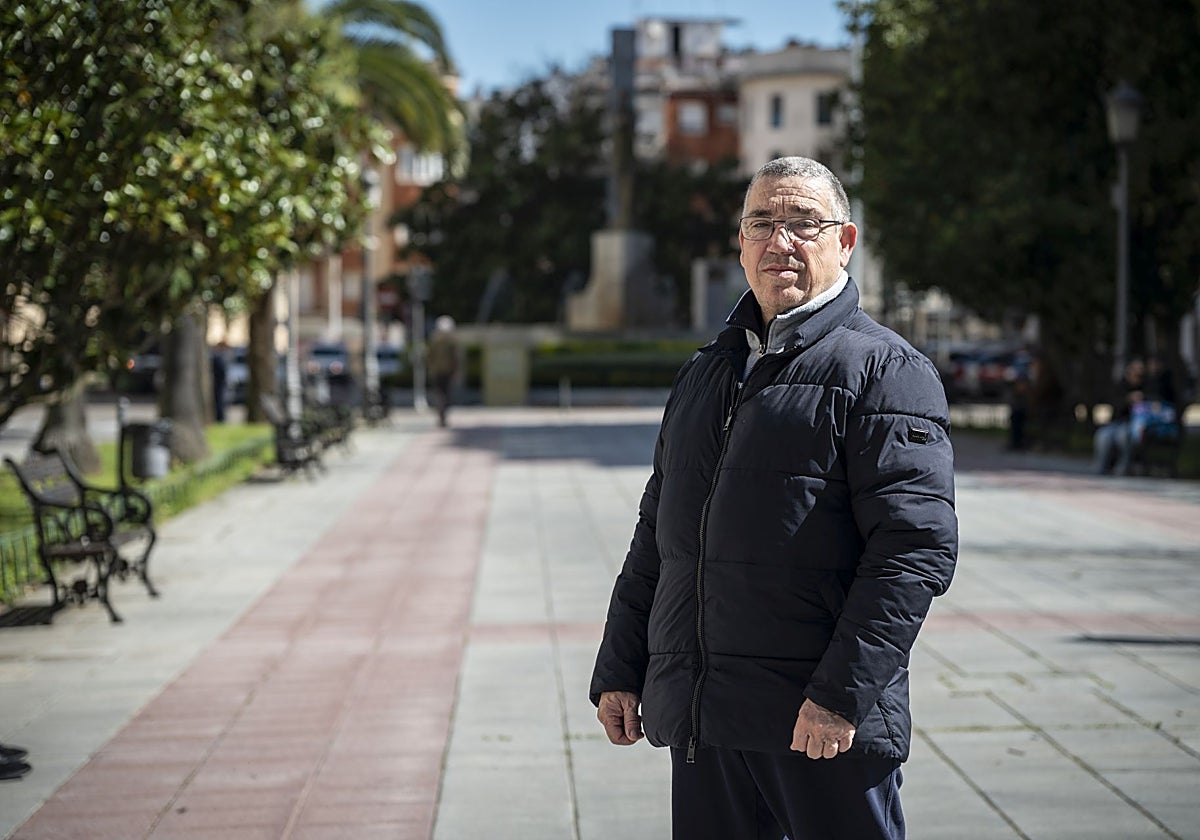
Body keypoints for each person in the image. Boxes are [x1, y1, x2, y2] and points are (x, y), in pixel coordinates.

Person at [590, 156, 959, 840]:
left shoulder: (887, 371)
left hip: (817, 729)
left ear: (844, 242)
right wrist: (622, 665)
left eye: (802, 223)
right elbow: (658, 537)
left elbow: (913, 552)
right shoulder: (706, 372)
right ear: (740, 241)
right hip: (708, 724)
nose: (779, 241)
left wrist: (839, 698)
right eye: (762, 222)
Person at [1093, 357, 1146, 475]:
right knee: (1103, 435)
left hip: (1133, 423)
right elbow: (1114, 405)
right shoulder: (1121, 385)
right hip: (1117, 422)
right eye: (1135, 370)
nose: (1138, 374)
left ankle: (1122, 467)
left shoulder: (1146, 387)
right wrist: (1128, 400)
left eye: (1140, 371)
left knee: (1122, 436)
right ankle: (1101, 466)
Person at [426, 316, 460, 427]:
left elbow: (429, 356)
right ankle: (443, 416)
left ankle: (441, 415)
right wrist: (456, 370)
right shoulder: (452, 340)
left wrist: (430, 368)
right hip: (448, 370)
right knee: (446, 394)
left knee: (439, 394)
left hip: (436, 370)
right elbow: (456, 357)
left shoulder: (434, 339)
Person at [210, 341, 229, 423]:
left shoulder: (218, 357)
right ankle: (220, 417)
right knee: (219, 401)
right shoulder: (218, 358)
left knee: (220, 400)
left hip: (219, 383)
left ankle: (220, 417)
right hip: (218, 383)